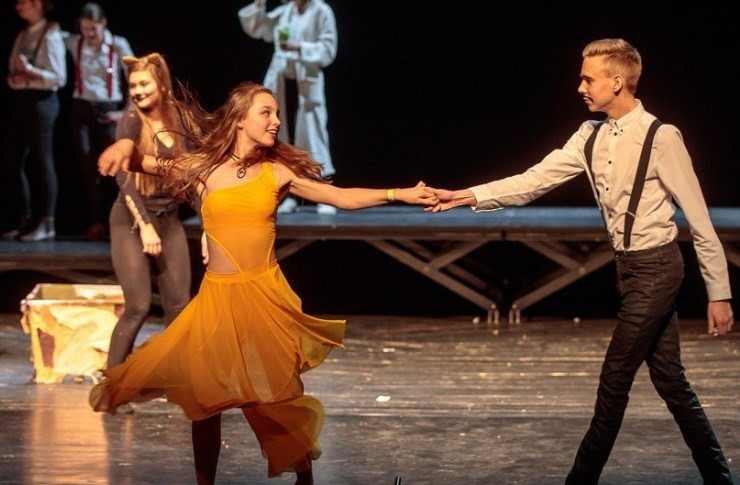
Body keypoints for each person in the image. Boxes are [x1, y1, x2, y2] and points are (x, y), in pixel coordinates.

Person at [92, 80, 436, 484]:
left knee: (275, 399)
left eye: (276, 114)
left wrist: (398, 193)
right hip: (217, 302)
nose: (275, 121)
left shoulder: (277, 173)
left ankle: (304, 480)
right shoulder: (203, 168)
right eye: (266, 112)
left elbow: (341, 197)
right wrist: (123, 146)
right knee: (205, 404)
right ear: (240, 120)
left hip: (263, 299)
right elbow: (143, 162)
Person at [429, 38, 734, 483]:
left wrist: (719, 292)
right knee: (671, 381)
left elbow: (700, 220)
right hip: (629, 270)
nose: (580, 88)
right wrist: (464, 196)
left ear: (618, 81)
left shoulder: (661, 137)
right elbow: (534, 180)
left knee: (615, 379)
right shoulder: (589, 135)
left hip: (658, 269)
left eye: (588, 79)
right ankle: (719, 477)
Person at [103, 53, 192, 396]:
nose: (137, 91)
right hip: (130, 218)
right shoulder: (129, 120)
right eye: (133, 86)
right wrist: (144, 225)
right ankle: (113, 387)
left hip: (169, 218)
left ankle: (176, 382)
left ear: (162, 85)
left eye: (144, 84)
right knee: (138, 305)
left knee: (179, 306)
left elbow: (195, 172)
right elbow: (124, 178)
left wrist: (208, 229)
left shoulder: (180, 118)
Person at [238, 0, 338, 215]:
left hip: (306, 83)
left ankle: (325, 193)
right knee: (282, 137)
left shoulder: (321, 11)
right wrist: (258, 6)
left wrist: (299, 47)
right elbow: (259, 28)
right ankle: (290, 194)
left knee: (314, 136)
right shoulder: (286, 11)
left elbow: (328, 48)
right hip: (282, 83)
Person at [63, 2, 134, 241]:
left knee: (115, 167)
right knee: (87, 167)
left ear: (103, 23)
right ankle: (97, 221)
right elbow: (54, 35)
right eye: (84, 28)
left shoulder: (118, 44)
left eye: (92, 28)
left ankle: (122, 221)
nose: (89, 33)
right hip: (81, 109)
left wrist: (125, 112)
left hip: (108, 109)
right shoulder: (75, 42)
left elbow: (136, 74)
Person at [1, 0, 65, 241]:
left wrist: (29, 72)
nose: (17, 6)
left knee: (43, 160)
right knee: (12, 160)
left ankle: (47, 223)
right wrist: (16, 79)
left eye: (23, 2)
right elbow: (11, 70)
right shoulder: (23, 35)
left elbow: (59, 78)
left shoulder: (50, 35)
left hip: (43, 102)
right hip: (24, 100)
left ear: (37, 4)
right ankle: (25, 219)